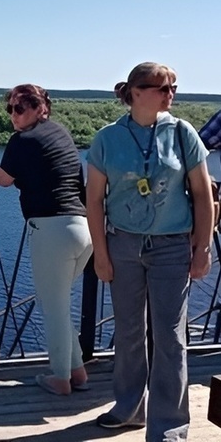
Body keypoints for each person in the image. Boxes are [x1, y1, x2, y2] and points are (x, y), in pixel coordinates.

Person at [86, 62, 214, 441]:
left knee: (171, 337)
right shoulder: (107, 138)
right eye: (163, 87)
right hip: (123, 245)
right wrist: (101, 253)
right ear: (136, 92)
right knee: (127, 333)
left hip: (172, 247)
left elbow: (204, 196)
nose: (170, 93)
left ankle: (169, 426)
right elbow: (94, 200)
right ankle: (129, 408)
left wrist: (202, 247)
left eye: (173, 86)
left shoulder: (183, 133)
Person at [0, 84, 92, 395]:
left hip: (51, 229)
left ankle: (60, 377)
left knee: (52, 305)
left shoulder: (22, 140)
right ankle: (77, 370)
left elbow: (4, 179)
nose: (14, 115)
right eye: (10, 109)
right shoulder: (60, 133)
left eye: (21, 108)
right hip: (83, 229)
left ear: (41, 109)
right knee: (60, 302)